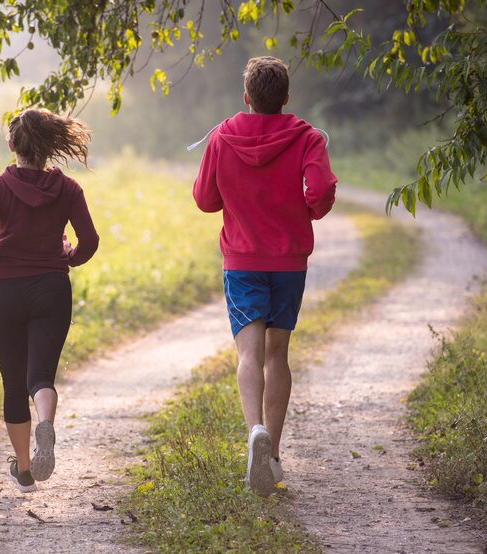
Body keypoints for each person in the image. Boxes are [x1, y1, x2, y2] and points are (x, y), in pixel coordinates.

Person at [192, 56, 336, 496]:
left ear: (246, 97)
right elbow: (323, 189)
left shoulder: (222, 137)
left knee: (248, 355)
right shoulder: (308, 137)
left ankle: (254, 429)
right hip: (289, 262)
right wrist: (310, 210)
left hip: (242, 262)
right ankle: (272, 455)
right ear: (286, 98)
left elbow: (204, 198)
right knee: (278, 356)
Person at [0, 108, 99, 493]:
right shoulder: (69, 190)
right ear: (49, 146)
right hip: (51, 288)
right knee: (40, 375)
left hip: (5, 291)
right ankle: (47, 423)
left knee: (12, 381)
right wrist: (68, 257)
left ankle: (24, 470)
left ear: (12, 145)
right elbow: (89, 241)